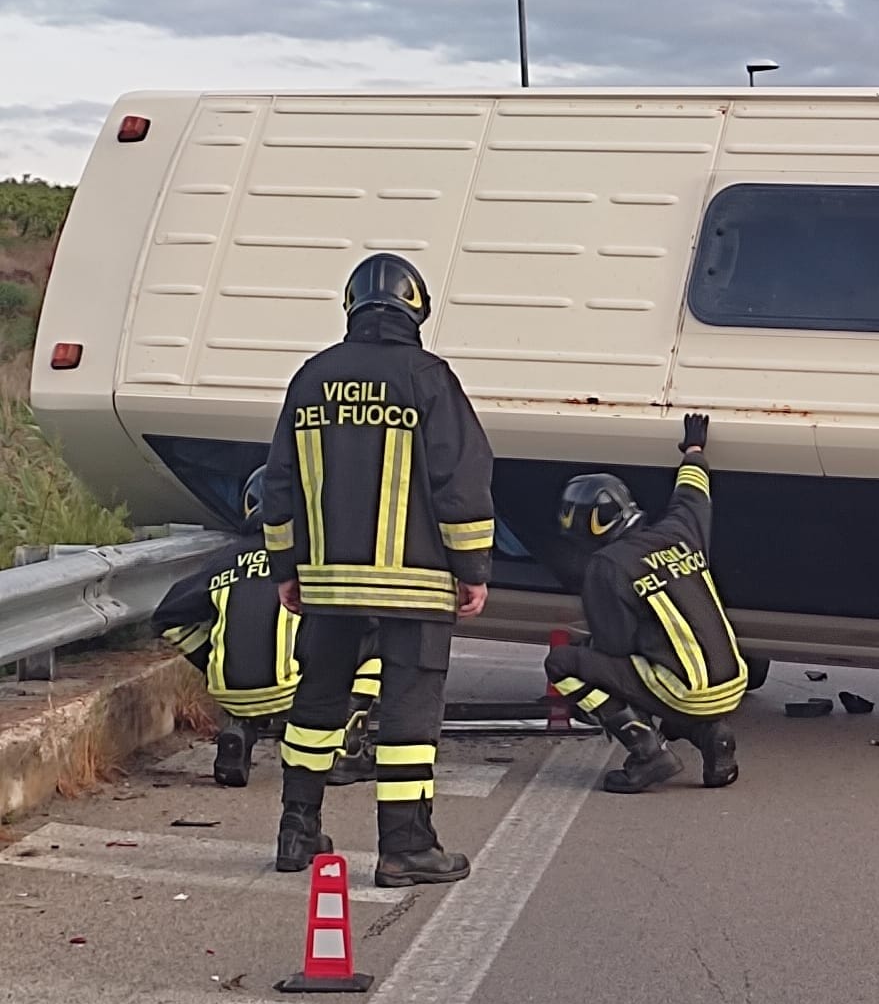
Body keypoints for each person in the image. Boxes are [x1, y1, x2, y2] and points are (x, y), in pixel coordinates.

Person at [257, 252, 495, 885]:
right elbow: (460, 479)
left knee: (317, 702)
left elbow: (278, 486)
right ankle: (406, 848)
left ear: (352, 305)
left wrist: (287, 567)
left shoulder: (310, 379)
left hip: (327, 584)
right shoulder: (428, 377)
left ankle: (296, 830)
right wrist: (471, 566)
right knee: (409, 715)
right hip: (415, 584)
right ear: (415, 307)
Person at [544, 413, 744, 792]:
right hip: (731, 680)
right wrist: (694, 448)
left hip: (685, 690)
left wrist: (588, 653)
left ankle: (648, 753)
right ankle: (712, 735)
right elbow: (692, 492)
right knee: (653, 671)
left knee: (565, 663)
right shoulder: (678, 530)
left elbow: (614, 648)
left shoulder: (607, 566)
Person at [153, 466, 381, 789]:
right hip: (295, 690)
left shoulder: (224, 559)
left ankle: (241, 732)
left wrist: (214, 658)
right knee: (376, 637)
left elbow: (167, 616)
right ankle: (346, 749)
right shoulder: (311, 555)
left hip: (228, 690)